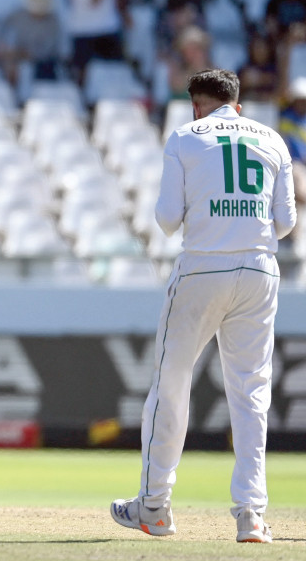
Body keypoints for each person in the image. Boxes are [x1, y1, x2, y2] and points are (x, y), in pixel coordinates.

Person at [110, 69, 297, 543]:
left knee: (171, 385)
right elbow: (287, 222)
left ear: (198, 104)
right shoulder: (272, 139)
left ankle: (154, 506)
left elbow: (168, 219)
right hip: (260, 270)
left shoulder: (185, 136)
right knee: (252, 393)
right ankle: (251, 515)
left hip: (201, 269)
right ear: (236, 103)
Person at [0, 0, 61, 85]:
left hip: (44, 64)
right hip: (18, 56)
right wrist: (2, 47)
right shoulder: (18, 15)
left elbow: (46, 51)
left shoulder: (53, 22)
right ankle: (12, 95)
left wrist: (23, 54)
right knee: (9, 66)